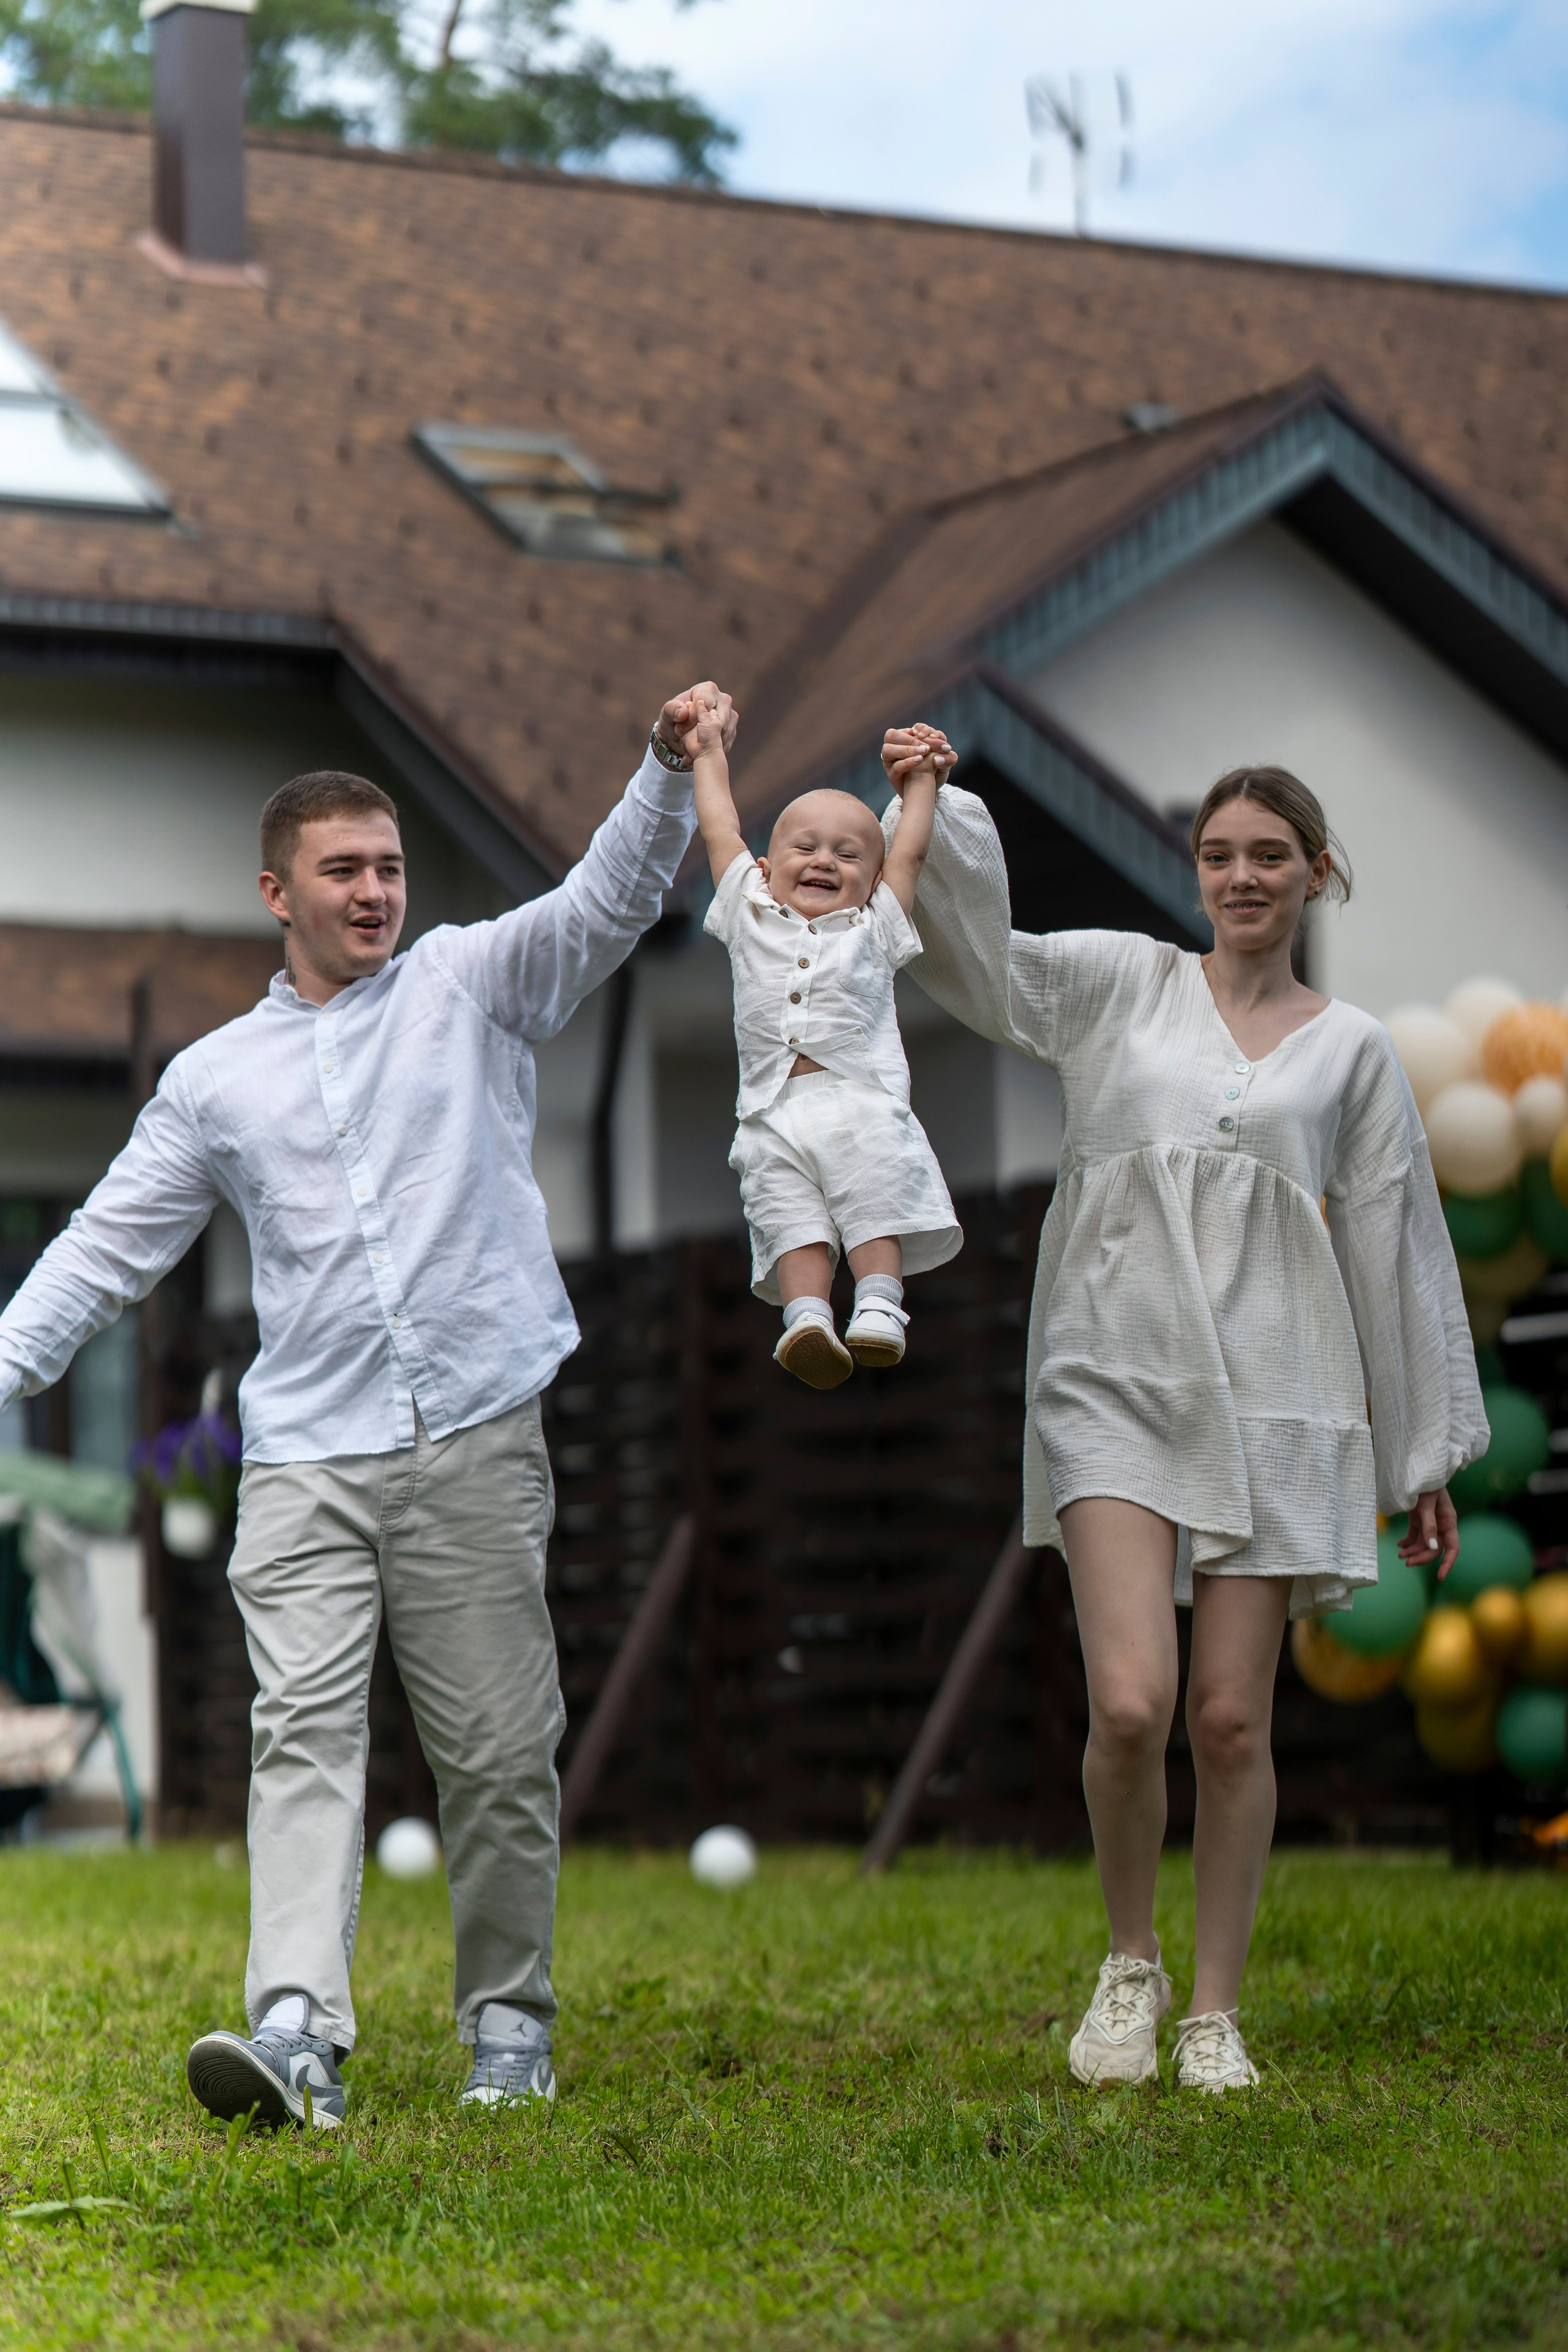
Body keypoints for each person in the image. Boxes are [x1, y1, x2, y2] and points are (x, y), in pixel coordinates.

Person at [0, 684, 734, 2128]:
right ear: (276, 891)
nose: (376, 891)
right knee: (303, 1736)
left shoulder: (470, 983)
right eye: (344, 869)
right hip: (303, 1459)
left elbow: (604, 901)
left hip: (472, 1431)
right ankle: (296, 2030)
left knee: (498, 1750)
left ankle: (508, 2020)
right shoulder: (216, 1080)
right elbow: (101, 1248)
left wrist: (661, 770)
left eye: (389, 866)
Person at [878, 729, 1486, 2092]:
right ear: (1194, 871)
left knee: (1227, 1720)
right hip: (1109, 1371)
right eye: (1217, 854)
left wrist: (1421, 1449)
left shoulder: (1355, 1055)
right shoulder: (1117, 984)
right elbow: (978, 954)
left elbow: (1393, 1247)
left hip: (1281, 1393)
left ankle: (1212, 2010)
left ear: (1315, 875)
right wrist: (933, 802)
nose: (1240, 876)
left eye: (1268, 855)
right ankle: (1126, 1962)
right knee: (1134, 1706)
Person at [689, 695, 960, 1387]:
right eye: (803, 848)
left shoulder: (875, 928)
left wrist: (922, 782)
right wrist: (708, 752)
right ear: (768, 864)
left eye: (847, 855)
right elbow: (719, 827)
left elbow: (912, 853)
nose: (823, 861)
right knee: (789, 1214)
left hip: (858, 1101)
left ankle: (879, 1307)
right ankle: (807, 1320)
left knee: (875, 1193)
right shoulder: (748, 913)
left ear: (871, 882)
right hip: (771, 1111)